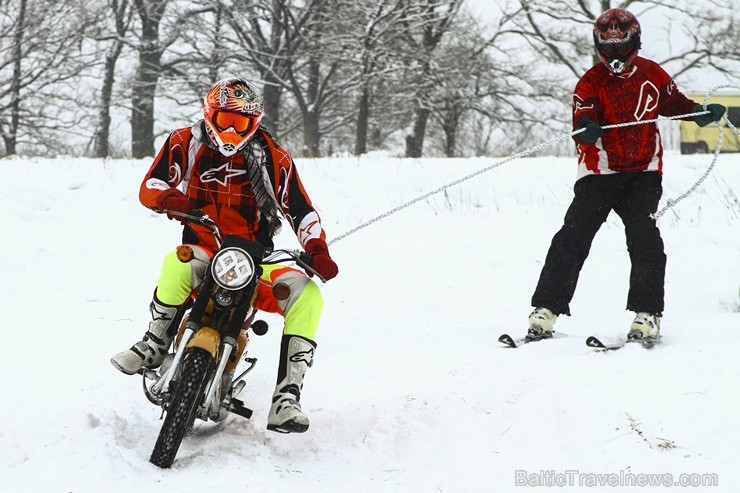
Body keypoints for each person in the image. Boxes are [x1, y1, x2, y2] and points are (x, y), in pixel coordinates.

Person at [111, 78, 339, 433]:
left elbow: (302, 210)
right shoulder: (184, 142)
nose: (232, 130)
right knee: (175, 263)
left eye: (242, 123)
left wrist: (316, 248)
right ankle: (154, 344)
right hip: (204, 251)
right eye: (224, 119)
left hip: (256, 262)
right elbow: (151, 184)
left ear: (256, 122)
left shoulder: (273, 157)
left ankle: (286, 396)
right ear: (208, 113)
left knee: (308, 294)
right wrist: (170, 198)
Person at [526, 9, 726, 342]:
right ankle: (546, 310)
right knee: (572, 237)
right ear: (598, 44)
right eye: (609, 47)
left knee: (644, 237)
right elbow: (582, 118)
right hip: (599, 172)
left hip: (643, 172)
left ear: (634, 41)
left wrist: (698, 113)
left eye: (622, 46)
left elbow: (672, 102)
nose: (616, 55)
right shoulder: (590, 81)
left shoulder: (652, 73)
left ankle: (647, 315)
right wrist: (586, 130)